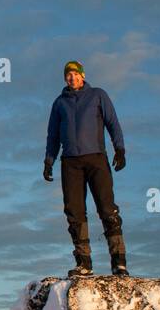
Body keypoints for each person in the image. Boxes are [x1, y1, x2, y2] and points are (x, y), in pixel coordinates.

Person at [43, 61, 129, 276]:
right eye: (68, 75)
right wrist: (48, 160)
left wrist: (119, 149)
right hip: (70, 162)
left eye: (74, 74)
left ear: (82, 75)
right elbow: (53, 135)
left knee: (107, 208)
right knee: (75, 212)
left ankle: (118, 262)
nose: (71, 78)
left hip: (96, 159)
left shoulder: (98, 95)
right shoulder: (59, 103)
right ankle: (84, 263)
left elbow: (113, 122)